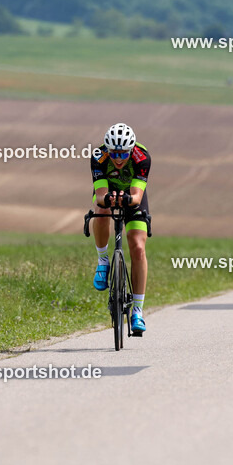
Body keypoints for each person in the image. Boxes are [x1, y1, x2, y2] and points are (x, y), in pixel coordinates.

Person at [90, 122, 152, 335]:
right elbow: (100, 195)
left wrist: (126, 199)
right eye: (114, 153)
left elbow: (136, 196)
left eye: (123, 154)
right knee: (101, 211)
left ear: (131, 150)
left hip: (132, 197)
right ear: (107, 148)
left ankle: (137, 311)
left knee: (137, 247)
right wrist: (108, 199)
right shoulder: (99, 156)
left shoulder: (141, 157)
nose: (118, 158)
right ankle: (103, 261)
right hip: (108, 193)